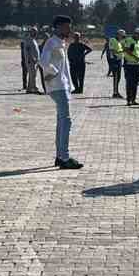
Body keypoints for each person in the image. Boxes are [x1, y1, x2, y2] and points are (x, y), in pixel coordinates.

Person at [40, 16, 81, 170]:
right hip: (57, 85)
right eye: (66, 27)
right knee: (66, 121)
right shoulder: (52, 42)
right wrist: (53, 72)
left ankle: (60, 156)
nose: (69, 30)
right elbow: (43, 61)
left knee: (62, 121)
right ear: (58, 27)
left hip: (63, 85)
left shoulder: (61, 43)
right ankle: (64, 157)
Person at [120, 28, 139, 105]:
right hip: (129, 65)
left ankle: (133, 99)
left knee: (135, 83)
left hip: (136, 65)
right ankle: (129, 100)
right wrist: (135, 57)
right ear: (135, 34)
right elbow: (127, 50)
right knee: (129, 83)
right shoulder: (129, 40)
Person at [107, 31, 124, 97]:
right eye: (121, 35)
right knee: (116, 77)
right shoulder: (113, 40)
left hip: (119, 60)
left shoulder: (119, 42)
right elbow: (112, 50)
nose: (122, 37)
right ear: (118, 35)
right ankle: (115, 93)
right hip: (115, 60)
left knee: (118, 77)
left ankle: (116, 91)